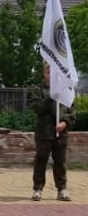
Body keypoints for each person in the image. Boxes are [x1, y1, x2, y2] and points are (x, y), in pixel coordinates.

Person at [31, 64, 76, 201]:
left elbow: (72, 111)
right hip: (44, 132)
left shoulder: (66, 90)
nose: (51, 74)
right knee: (41, 160)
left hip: (60, 134)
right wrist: (51, 97)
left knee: (60, 162)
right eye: (48, 71)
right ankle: (38, 189)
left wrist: (65, 123)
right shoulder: (38, 89)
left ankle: (62, 189)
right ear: (44, 73)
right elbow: (37, 108)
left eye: (54, 71)